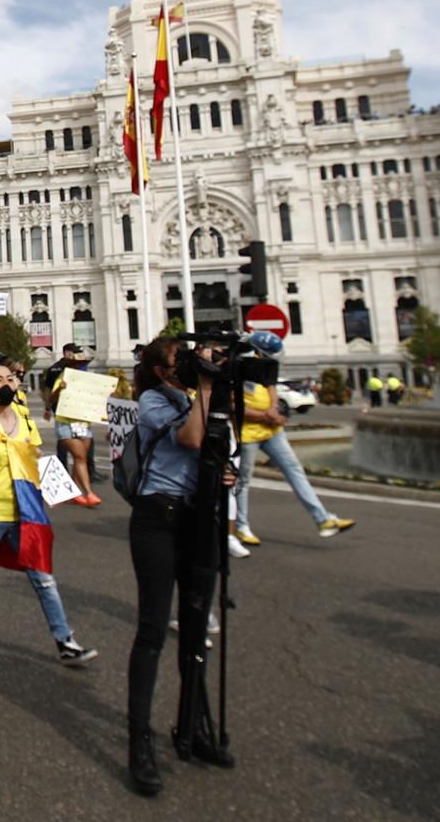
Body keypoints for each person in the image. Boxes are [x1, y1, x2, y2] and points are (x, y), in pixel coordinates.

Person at [124, 336, 236, 797]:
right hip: (157, 518)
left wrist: (225, 470)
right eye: (180, 360)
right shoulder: (153, 401)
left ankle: (193, 724)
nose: (189, 366)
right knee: (153, 630)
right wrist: (206, 386)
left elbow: (211, 445)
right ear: (159, 370)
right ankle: (139, 741)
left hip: (197, 517)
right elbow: (190, 437)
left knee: (194, 630)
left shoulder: (195, 398)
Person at [0, 362, 98, 671]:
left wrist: (49, 486)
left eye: (10, 378)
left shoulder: (25, 418)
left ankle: (65, 641)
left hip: (25, 513)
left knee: (44, 579)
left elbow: (35, 457)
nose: (5, 383)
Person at [233, 376, 355, 542]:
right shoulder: (230, 367)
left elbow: (270, 384)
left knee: (294, 469)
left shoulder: (259, 363)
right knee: (243, 480)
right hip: (247, 433)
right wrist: (263, 415)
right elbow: (231, 405)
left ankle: (323, 520)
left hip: (273, 430)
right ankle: (241, 527)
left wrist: (274, 409)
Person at [42, 344, 103, 507]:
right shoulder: (63, 377)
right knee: (80, 456)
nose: (80, 366)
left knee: (80, 458)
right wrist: (59, 391)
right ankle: (88, 493)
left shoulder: (88, 379)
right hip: (65, 422)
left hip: (83, 422)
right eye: (77, 363)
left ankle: (74, 491)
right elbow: (51, 397)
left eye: (82, 363)